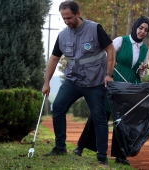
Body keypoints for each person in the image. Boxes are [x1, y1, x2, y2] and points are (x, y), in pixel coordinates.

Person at [41, 1, 115, 165]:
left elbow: (110, 49)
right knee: (58, 107)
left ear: (78, 14)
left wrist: (108, 74)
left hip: (95, 82)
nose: (67, 21)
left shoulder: (95, 29)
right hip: (73, 80)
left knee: (99, 118)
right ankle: (60, 147)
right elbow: (54, 58)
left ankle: (102, 156)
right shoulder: (62, 35)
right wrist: (46, 82)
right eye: (64, 18)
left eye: (69, 17)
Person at [72, 16, 149, 165]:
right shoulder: (121, 40)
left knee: (123, 120)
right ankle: (81, 146)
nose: (142, 32)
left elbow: (139, 73)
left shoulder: (145, 50)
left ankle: (120, 156)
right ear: (135, 27)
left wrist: (141, 69)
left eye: (146, 30)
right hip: (113, 81)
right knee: (101, 114)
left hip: (130, 85)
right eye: (141, 28)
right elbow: (106, 56)